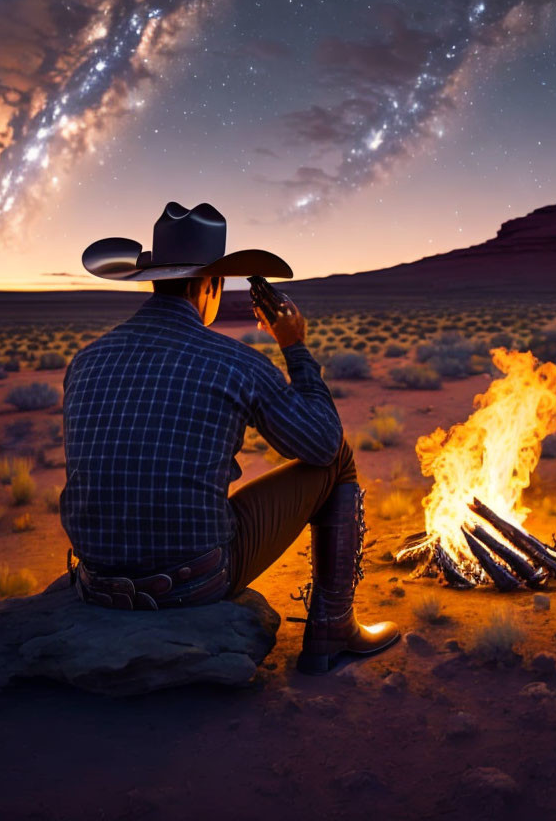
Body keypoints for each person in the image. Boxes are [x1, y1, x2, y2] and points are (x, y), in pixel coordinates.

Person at [62, 201, 399, 674]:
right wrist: (294, 346)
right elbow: (320, 443)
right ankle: (334, 627)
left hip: (94, 583)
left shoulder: (87, 360)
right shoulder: (233, 361)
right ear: (210, 286)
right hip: (191, 583)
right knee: (338, 459)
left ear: (155, 279)